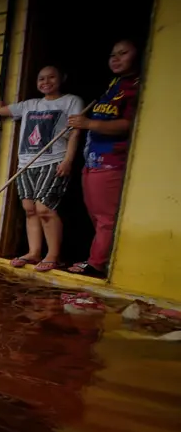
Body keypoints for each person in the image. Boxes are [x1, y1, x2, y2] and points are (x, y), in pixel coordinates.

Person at [0, 66, 84, 271]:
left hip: (53, 161)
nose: (46, 82)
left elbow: (75, 133)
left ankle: (53, 255)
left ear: (62, 78)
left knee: (44, 208)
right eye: (41, 79)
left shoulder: (71, 101)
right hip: (26, 163)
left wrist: (68, 160)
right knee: (30, 210)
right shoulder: (30, 105)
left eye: (51, 77)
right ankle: (34, 252)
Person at [67, 39, 142, 278]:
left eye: (123, 53)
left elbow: (128, 124)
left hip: (111, 161)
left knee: (105, 218)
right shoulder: (114, 85)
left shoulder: (136, 86)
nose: (116, 58)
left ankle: (97, 266)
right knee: (95, 215)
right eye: (113, 54)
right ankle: (96, 258)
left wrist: (89, 123)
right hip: (93, 161)